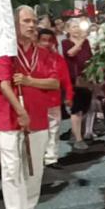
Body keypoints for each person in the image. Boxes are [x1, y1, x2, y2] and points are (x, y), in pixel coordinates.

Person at [0, 6, 61, 209]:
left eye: (33, 21)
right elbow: (3, 84)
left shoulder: (44, 54)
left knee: (34, 170)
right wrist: (20, 112)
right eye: (26, 21)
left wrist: (29, 80)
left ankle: (29, 208)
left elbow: (54, 83)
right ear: (15, 24)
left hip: (39, 118)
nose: (31, 25)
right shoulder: (4, 53)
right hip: (10, 119)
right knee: (12, 170)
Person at [38, 28, 73, 169]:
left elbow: (66, 79)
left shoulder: (58, 59)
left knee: (54, 130)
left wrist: (69, 95)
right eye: (43, 40)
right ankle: (38, 156)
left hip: (54, 100)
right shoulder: (32, 58)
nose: (46, 44)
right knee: (39, 131)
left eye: (49, 41)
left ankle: (51, 158)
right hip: (36, 100)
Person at [61, 18, 93, 151]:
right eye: (73, 27)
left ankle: (77, 132)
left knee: (85, 108)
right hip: (73, 79)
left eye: (77, 26)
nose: (76, 29)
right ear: (68, 29)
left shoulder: (86, 43)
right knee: (76, 109)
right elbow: (71, 53)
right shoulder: (65, 42)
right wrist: (81, 40)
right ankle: (78, 139)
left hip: (86, 78)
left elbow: (90, 57)